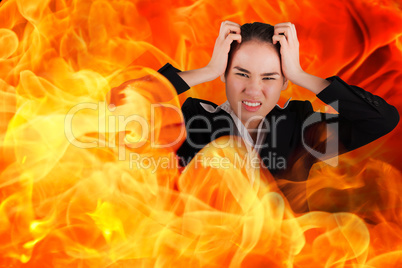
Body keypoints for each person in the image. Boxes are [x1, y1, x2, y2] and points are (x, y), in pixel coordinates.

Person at [157, 21, 399, 182]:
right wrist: (207, 70)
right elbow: (123, 109)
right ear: (224, 73)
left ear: (285, 81)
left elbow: (380, 120)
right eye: (242, 73)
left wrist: (301, 76)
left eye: (269, 77)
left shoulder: (300, 128)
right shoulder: (190, 122)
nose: (253, 90)